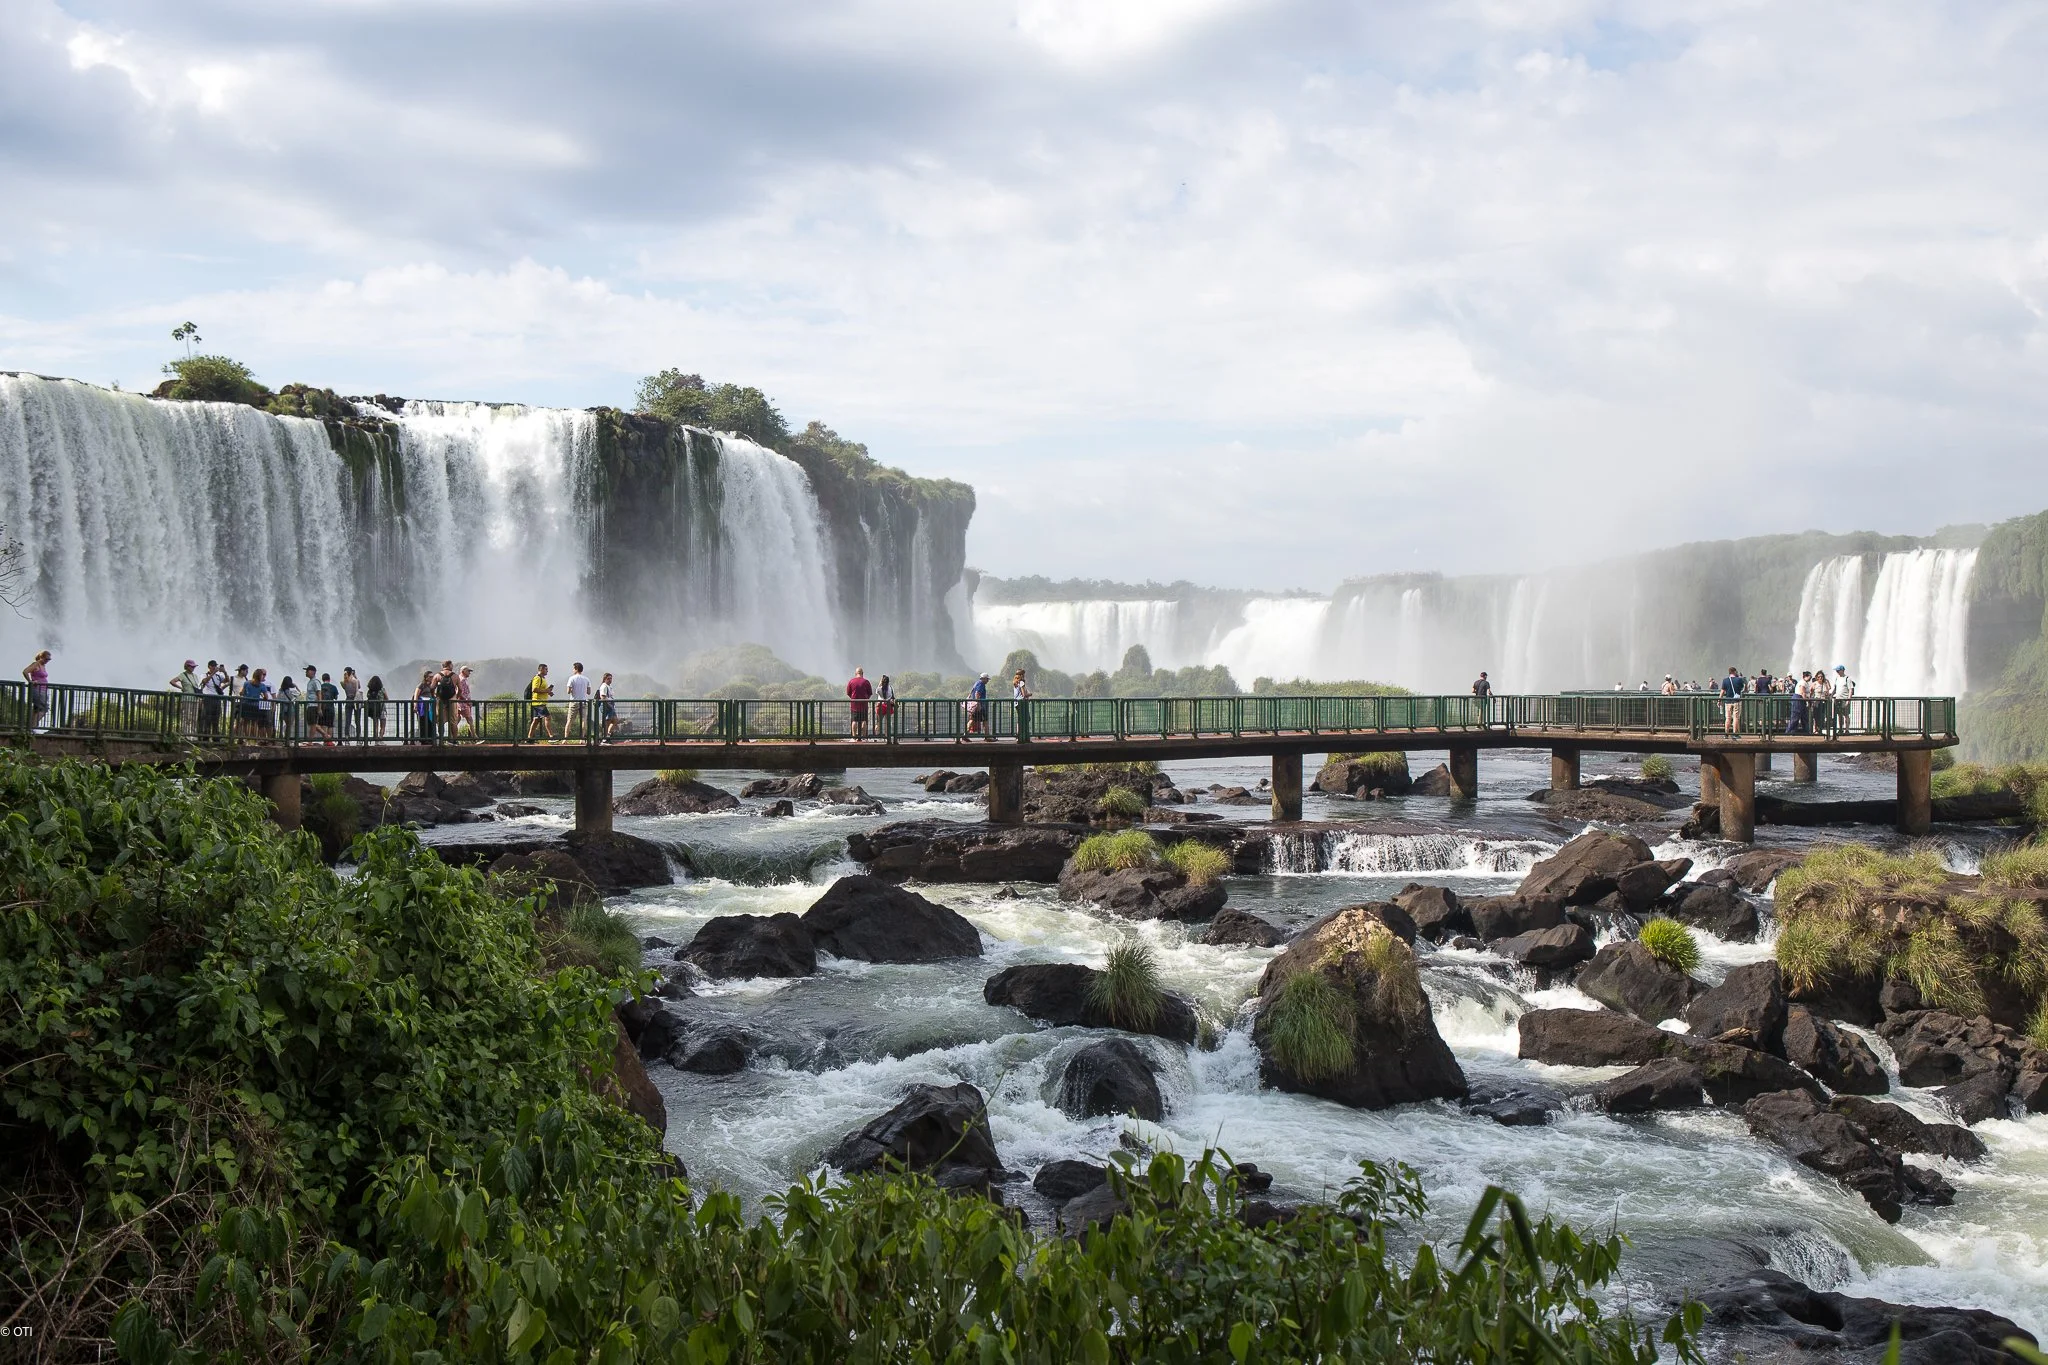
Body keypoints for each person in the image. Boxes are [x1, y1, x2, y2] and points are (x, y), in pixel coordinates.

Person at [169, 659, 201, 735]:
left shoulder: (195, 676)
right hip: (186, 699)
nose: (193, 668)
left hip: (195, 699)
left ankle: (193, 734)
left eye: (194, 666)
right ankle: (185, 733)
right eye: (191, 666)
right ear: (187, 666)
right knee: (186, 717)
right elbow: (172, 681)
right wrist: (181, 688)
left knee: (194, 718)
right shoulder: (182, 675)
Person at [23, 650, 52, 731]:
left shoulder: (43, 666)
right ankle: (32, 727)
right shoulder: (36, 664)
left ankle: (30, 728)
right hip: (37, 690)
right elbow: (25, 671)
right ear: (41, 657)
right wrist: (30, 681)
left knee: (37, 709)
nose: (47, 661)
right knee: (44, 709)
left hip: (43, 690)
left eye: (49, 660)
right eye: (46, 659)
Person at [526, 663, 556, 741]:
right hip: (539, 702)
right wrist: (546, 690)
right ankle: (551, 737)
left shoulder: (543, 679)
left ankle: (529, 738)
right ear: (541, 669)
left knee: (536, 720)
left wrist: (548, 692)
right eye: (546, 669)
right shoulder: (537, 678)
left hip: (539, 702)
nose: (547, 671)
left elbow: (542, 689)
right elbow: (534, 689)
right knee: (548, 717)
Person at [434, 661, 459, 743]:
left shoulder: (437, 675)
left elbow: (432, 687)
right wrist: (456, 697)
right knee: (453, 722)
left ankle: (441, 741)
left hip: (440, 701)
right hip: (452, 700)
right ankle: (454, 741)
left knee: (440, 721)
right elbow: (461, 689)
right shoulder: (455, 676)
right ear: (449, 665)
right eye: (452, 665)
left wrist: (435, 696)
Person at [565, 662, 592, 739]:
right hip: (583, 701)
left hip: (574, 701)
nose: (573, 670)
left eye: (573, 668)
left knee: (569, 720)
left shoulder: (572, 678)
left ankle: (565, 738)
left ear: (576, 669)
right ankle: (582, 738)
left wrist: (573, 689)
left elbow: (568, 691)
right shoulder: (586, 679)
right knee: (584, 720)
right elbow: (589, 692)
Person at [846, 666, 873, 739]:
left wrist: (853, 698)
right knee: (864, 720)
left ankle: (854, 737)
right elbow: (870, 693)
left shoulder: (851, 681)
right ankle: (864, 737)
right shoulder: (866, 681)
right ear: (862, 673)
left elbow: (848, 693)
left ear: (855, 673)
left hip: (854, 704)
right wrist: (866, 698)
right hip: (864, 704)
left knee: (854, 720)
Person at [313, 672, 339, 744]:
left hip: (322, 707)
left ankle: (325, 741)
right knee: (330, 725)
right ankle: (329, 741)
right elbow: (336, 697)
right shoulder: (333, 687)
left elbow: (317, 696)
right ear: (329, 679)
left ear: (322, 679)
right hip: (331, 708)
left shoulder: (320, 687)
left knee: (323, 724)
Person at [1718, 666, 1744, 738]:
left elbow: (1722, 691)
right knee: (1736, 718)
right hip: (1737, 701)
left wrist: (1719, 700)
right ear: (1735, 672)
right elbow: (1743, 688)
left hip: (1727, 701)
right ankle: (1735, 734)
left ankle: (1726, 734)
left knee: (1728, 718)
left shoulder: (1725, 680)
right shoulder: (1739, 680)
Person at [413, 670, 437, 744]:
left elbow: (433, 694)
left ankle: (430, 738)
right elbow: (416, 695)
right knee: (422, 721)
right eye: (430, 677)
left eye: (432, 676)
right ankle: (423, 739)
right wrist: (415, 705)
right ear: (426, 677)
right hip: (422, 705)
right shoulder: (421, 685)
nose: (432, 678)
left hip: (430, 705)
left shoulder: (431, 685)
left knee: (430, 721)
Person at [340, 666, 361, 738]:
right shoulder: (355, 681)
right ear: (352, 672)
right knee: (357, 720)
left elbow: (345, 688)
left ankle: (346, 735)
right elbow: (358, 688)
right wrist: (355, 676)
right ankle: (358, 736)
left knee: (348, 719)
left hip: (348, 700)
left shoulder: (343, 682)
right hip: (356, 701)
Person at [966, 672, 989, 738]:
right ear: (983, 679)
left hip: (976, 705)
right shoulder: (981, 684)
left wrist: (969, 696)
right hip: (980, 705)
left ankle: (965, 735)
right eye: (987, 679)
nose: (987, 681)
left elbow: (972, 691)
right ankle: (987, 737)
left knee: (973, 720)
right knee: (985, 720)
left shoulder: (977, 683)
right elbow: (977, 693)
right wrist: (978, 704)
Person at [455, 665, 476, 739]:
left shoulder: (459, 679)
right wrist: (466, 701)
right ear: (463, 671)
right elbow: (459, 692)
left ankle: (452, 737)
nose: (469, 673)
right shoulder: (462, 680)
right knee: (470, 719)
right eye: (468, 671)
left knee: (457, 719)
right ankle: (475, 738)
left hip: (459, 703)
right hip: (463, 703)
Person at [597, 671, 618, 741]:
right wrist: (609, 705)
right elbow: (603, 697)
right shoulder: (604, 686)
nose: (610, 680)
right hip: (606, 705)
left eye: (611, 678)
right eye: (608, 678)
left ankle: (608, 735)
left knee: (615, 720)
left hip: (610, 705)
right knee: (608, 721)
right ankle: (605, 737)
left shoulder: (609, 686)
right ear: (605, 679)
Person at [366, 673, 388, 739]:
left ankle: (375, 738)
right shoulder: (382, 690)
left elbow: (368, 698)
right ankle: (380, 737)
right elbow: (387, 698)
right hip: (382, 709)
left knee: (375, 725)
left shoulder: (370, 691)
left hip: (374, 710)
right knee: (383, 725)